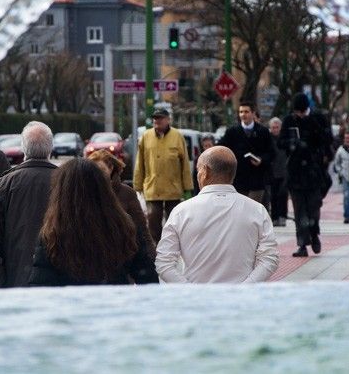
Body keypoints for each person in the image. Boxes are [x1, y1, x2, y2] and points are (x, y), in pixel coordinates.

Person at [155, 146, 279, 283]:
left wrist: (190, 291)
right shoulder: (257, 210)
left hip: (197, 299)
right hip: (243, 300)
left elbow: (164, 263)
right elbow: (269, 259)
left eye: (198, 169)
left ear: (205, 171)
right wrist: (244, 288)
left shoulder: (182, 211)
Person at [28, 158, 158, 286]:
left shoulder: (53, 232)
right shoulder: (123, 225)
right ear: (103, 188)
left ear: (61, 192)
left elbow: (41, 285)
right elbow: (147, 277)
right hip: (116, 302)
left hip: (69, 305)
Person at [0, 121, 58, 287]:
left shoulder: (3, 184)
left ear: (23, 148)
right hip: (58, 280)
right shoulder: (67, 182)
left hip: (15, 277)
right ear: (50, 148)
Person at [133, 107, 193, 243]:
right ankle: (156, 248)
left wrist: (187, 188)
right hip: (153, 187)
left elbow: (184, 164)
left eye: (160, 118)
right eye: (155, 118)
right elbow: (139, 163)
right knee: (153, 220)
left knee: (173, 221)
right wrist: (137, 186)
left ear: (168, 120)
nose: (157, 121)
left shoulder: (177, 136)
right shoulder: (146, 137)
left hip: (173, 188)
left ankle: (171, 246)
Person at [87, 149, 156, 263]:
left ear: (111, 168)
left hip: (121, 260)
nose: (97, 175)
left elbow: (141, 228)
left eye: (101, 170)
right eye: (94, 171)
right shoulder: (84, 192)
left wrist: (151, 256)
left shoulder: (127, 193)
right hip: (91, 259)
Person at [280, 93, 327, 257]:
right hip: (295, 174)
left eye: (301, 112)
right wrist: (293, 143)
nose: (298, 115)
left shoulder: (317, 118)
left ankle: (314, 234)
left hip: (313, 173)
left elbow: (326, 140)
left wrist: (311, 125)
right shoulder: (289, 120)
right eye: (296, 112)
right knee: (299, 211)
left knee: (314, 209)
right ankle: (302, 244)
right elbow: (281, 142)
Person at [218, 101, 274, 204]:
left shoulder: (263, 131)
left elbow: (271, 152)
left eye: (246, 111)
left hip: (257, 178)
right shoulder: (232, 132)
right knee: (239, 208)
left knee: (254, 208)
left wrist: (261, 160)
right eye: (241, 112)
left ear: (253, 113)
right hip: (239, 178)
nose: (243, 114)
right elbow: (223, 148)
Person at [268, 117, 288, 226]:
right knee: (273, 195)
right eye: (273, 128)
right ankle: (275, 217)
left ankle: (282, 216)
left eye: (277, 127)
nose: (275, 130)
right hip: (272, 171)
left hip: (284, 170)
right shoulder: (268, 139)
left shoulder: (284, 138)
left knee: (283, 194)